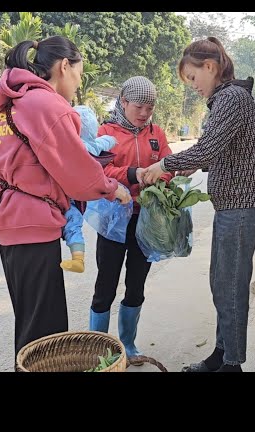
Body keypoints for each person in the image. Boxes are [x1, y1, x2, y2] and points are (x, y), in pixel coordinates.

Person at [0, 37, 131, 363]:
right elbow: (77, 170)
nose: (78, 85)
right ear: (64, 66)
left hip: (12, 218)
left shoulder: (15, 100)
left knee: (30, 324)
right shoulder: (45, 105)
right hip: (31, 221)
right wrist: (112, 189)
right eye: (78, 74)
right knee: (46, 336)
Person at [142, 37, 255, 372]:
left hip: (240, 210)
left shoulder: (231, 98)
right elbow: (221, 154)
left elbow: (206, 148)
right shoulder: (229, 99)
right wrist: (192, 164)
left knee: (230, 288)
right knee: (221, 284)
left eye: (193, 78)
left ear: (210, 67)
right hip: (231, 209)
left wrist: (165, 165)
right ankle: (221, 354)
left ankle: (232, 364)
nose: (193, 87)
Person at [87, 76, 173, 360]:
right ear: (123, 102)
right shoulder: (105, 132)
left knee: (136, 285)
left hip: (145, 221)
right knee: (105, 286)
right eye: (139, 106)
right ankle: (99, 348)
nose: (145, 113)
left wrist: (164, 176)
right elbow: (99, 170)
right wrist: (133, 173)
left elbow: (168, 163)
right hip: (113, 222)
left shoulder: (156, 133)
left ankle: (128, 344)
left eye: (150, 108)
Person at [59, 105, 117, 273]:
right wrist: (112, 140)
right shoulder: (93, 146)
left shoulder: (72, 146)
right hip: (78, 197)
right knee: (74, 224)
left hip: (66, 196)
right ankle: (78, 258)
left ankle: (78, 260)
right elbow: (104, 141)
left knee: (72, 224)